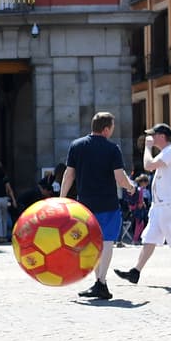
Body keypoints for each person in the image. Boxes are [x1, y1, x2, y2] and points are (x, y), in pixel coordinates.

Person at [113, 123, 171, 288]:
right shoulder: (167, 152)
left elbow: (148, 166)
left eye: (154, 135)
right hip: (160, 206)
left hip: (169, 205)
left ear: (162, 136)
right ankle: (136, 272)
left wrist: (147, 148)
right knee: (150, 239)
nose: (151, 138)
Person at [60, 111, 137, 300]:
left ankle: (99, 283)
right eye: (112, 128)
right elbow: (120, 178)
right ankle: (101, 282)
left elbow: (68, 175)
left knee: (92, 244)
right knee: (108, 242)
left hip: (85, 206)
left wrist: (61, 199)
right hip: (108, 203)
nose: (112, 131)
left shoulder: (76, 146)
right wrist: (131, 187)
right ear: (106, 129)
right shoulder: (112, 149)